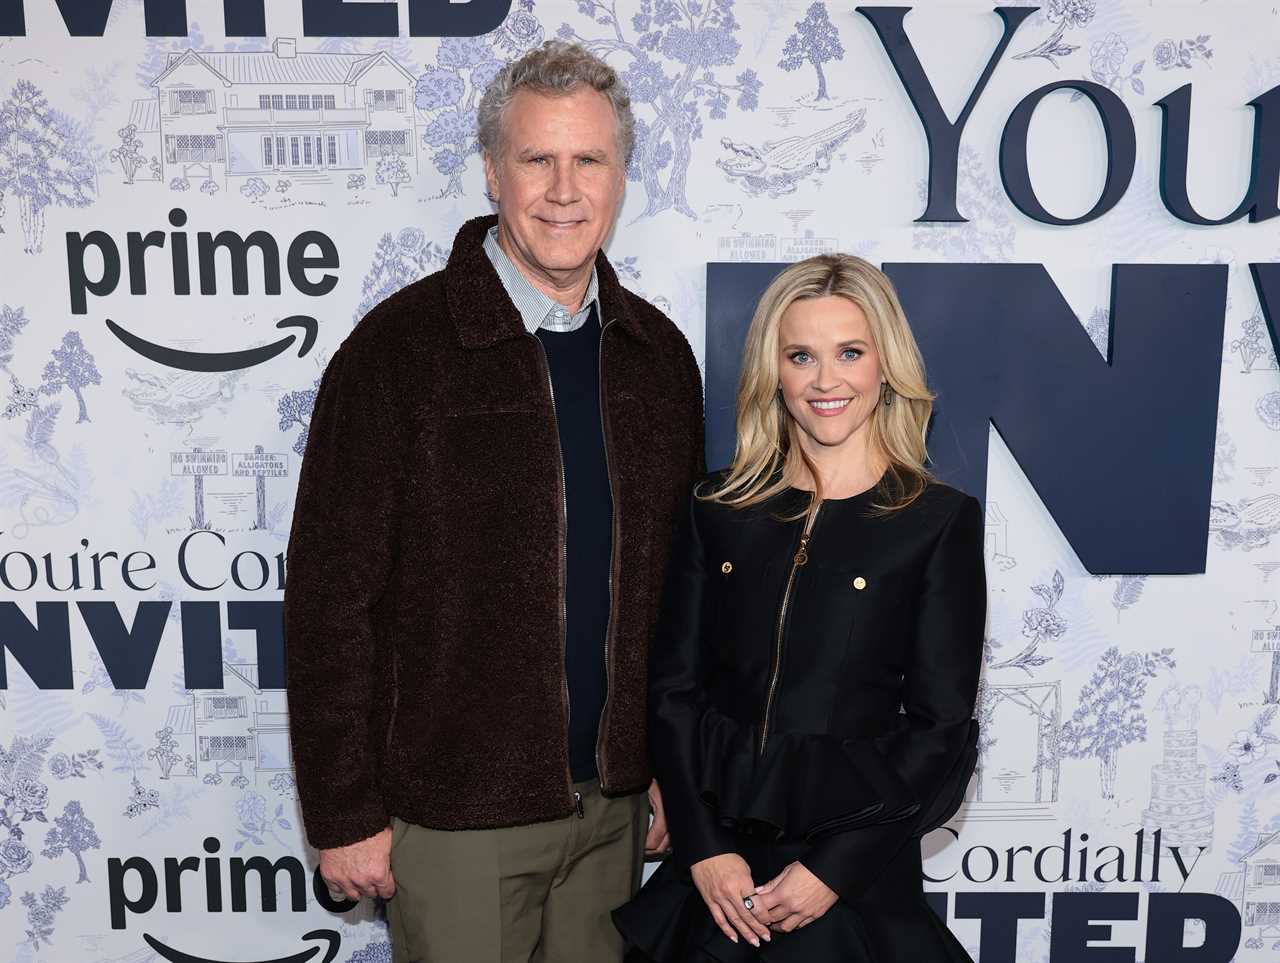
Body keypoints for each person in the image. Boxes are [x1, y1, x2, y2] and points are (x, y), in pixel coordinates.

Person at [282, 41, 704, 963]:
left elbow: (683, 601)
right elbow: (328, 597)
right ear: (490, 172)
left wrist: (679, 771)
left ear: (622, 175)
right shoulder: (399, 352)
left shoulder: (659, 361)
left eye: (588, 159)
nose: (563, 189)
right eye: (535, 159)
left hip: (616, 813)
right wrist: (344, 808)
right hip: (456, 813)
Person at [613, 254, 986, 961]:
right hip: (715, 886)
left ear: (886, 366)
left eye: (850, 351)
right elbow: (672, 695)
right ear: (773, 372)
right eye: (801, 355)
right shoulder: (716, 508)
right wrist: (703, 849)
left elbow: (938, 729)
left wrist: (831, 871)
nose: (825, 380)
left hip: (853, 887)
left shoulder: (937, 521)